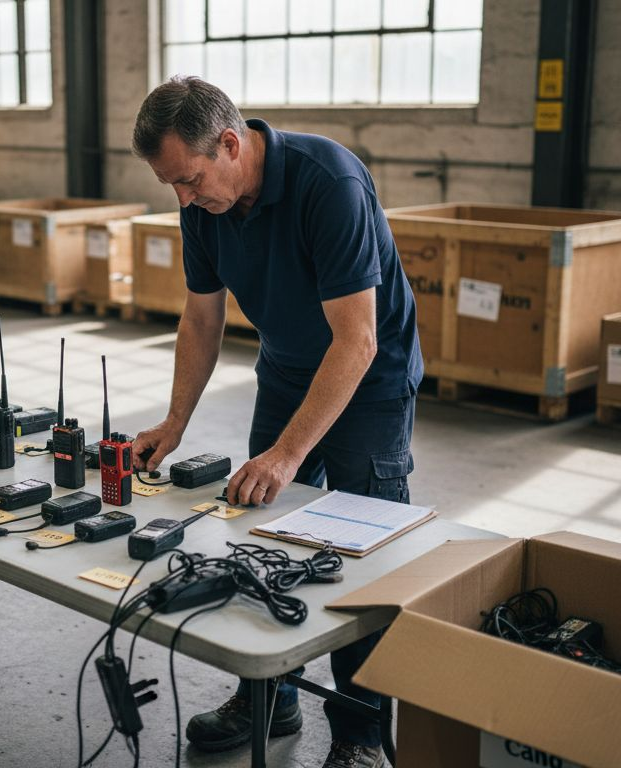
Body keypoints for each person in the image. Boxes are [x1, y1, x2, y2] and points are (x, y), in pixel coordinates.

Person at [129, 76, 423, 768]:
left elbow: (356, 342)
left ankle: (359, 735)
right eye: (172, 185)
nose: (184, 199)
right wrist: (173, 424)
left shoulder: (330, 185)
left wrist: (289, 457)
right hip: (289, 367)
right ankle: (271, 695)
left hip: (369, 382)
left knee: (361, 556)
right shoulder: (204, 205)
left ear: (230, 144)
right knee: (263, 533)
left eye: (191, 179)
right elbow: (202, 319)